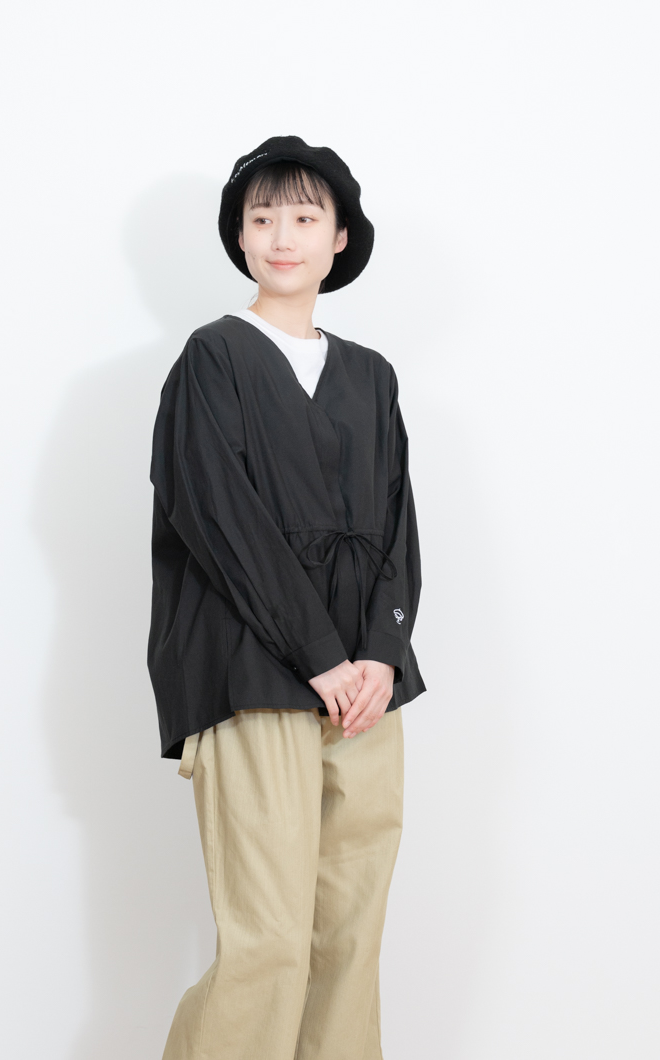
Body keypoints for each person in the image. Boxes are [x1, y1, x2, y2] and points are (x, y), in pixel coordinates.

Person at [147, 134, 426, 1060]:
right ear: (238, 234)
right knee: (268, 941)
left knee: (348, 937)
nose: (280, 236)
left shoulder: (370, 375)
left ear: (339, 237)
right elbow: (220, 521)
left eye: (304, 217)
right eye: (261, 217)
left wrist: (380, 654)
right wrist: (321, 657)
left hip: (366, 687)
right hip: (253, 673)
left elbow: (396, 527)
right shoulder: (214, 358)